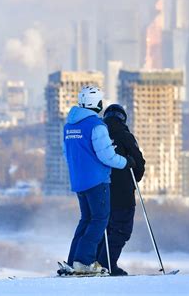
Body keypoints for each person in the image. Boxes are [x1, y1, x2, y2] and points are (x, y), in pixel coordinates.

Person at [63, 86, 129, 275]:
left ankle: (73, 260)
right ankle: (84, 262)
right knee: (99, 220)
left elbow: (66, 153)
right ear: (96, 103)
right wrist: (126, 162)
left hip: (79, 181)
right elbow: (107, 156)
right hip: (97, 180)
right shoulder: (96, 126)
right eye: (100, 101)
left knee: (86, 220)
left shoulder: (69, 126)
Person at [97, 104, 145, 276]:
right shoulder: (125, 136)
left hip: (101, 190)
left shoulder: (98, 135)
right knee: (121, 229)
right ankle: (106, 265)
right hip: (123, 193)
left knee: (103, 229)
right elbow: (139, 164)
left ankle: (97, 264)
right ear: (123, 118)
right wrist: (134, 177)